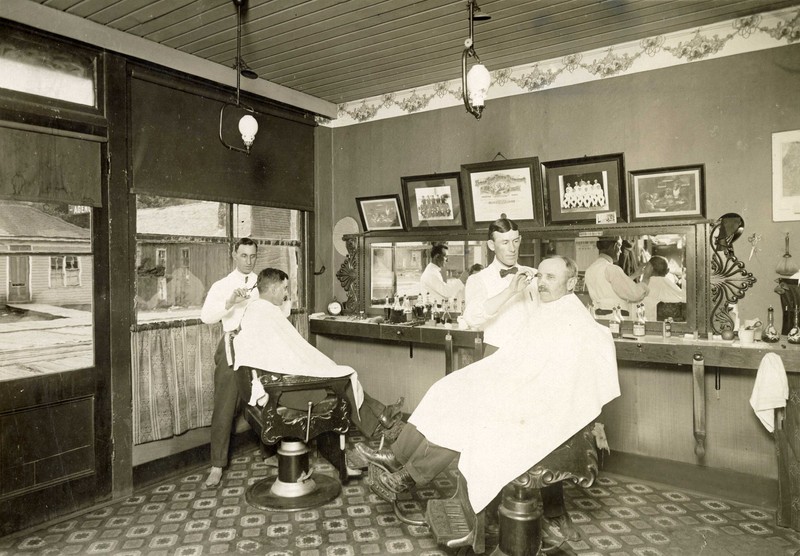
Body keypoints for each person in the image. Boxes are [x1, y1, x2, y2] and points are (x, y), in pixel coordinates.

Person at [354, 256, 620, 516]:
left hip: (540, 405)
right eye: (540, 276)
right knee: (448, 388)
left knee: (469, 414)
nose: (541, 282)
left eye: (551, 277)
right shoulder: (548, 309)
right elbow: (522, 357)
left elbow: (560, 378)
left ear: (571, 283)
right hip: (522, 389)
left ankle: (407, 476)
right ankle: (397, 456)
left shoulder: (577, 321)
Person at [232, 268, 404, 478]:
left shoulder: (256, 310)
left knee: (340, 373)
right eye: (285, 288)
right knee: (343, 379)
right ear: (275, 288)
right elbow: (285, 358)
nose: (286, 294)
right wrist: (315, 368)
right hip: (284, 390)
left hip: (273, 383)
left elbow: (284, 353)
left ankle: (383, 418)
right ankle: (380, 427)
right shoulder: (265, 314)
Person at [199, 238, 260, 488]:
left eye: (252, 256)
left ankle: (270, 453)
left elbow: (280, 311)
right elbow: (206, 317)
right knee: (224, 406)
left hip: (258, 347)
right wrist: (229, 303)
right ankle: (216, 466)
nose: (248, 261)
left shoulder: (261, 283)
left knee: (263, 398)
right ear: (234, 255)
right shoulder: (222, 285)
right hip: (231, 346)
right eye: (243, 255)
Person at [462, 216, 538, 354]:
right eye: (505, 242)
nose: (512, 248)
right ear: (491, 245)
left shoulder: (534, 274)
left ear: (520, 240)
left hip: (532, 351)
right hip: (497, 351)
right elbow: (471, 318)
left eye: (515, 241)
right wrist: (510, 291)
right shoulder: (478, 279)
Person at [585, 237, 649, 317]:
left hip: (598, 316)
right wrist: (646, 277)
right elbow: (634, 294)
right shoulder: (612, 269)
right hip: (615, 317)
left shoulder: (590, 269)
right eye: (620, 247)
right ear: (615, 246)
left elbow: (611, 286)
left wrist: (636, 274)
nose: (621, 251)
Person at [641, 256, 685, 321]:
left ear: (649, 269)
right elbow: (683, 298)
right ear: (667, 271)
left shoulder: (645, 285)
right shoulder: (669, 284)